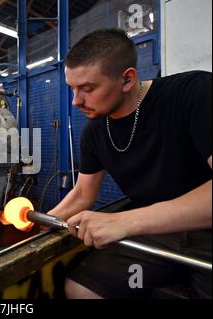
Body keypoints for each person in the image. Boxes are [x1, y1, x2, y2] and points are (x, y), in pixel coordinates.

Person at [48, 28, 212, 299]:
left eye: (87, 89)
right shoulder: (94, 132)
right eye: (73, 89)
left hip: (206, 235)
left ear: (127, 79)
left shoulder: (194, 93)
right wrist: (40, 228)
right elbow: (82, 194)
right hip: (157, 235)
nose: (76, 102)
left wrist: (125, 222)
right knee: (81, 289)